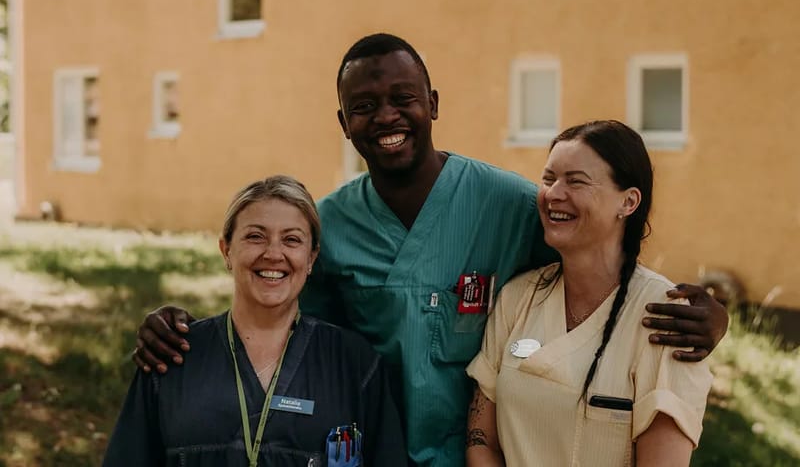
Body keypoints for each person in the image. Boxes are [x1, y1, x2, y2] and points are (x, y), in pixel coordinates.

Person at [132, 34, 728, 467]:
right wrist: (183, 332)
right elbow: (279, 321)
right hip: (366, 452)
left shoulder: (509, 204)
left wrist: (712, 319)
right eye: (364, 106)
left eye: (403, 97)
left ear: (434, 103)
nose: (386, 116)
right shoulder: (330, 224)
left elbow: (601, 258)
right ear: (343, 123)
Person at [104, 175, 406, 466]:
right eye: (255, 236)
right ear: (227, 250)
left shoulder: (355, 365)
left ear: (311, 258)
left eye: (291, 239)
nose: (274, 254)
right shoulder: (171, 356)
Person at [465, 120, 712, 466]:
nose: (554, 194)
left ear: (628, 202)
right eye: (549, 178)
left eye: (576, 181)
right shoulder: (517, 298)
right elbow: (482, 442)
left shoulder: (664, 316)